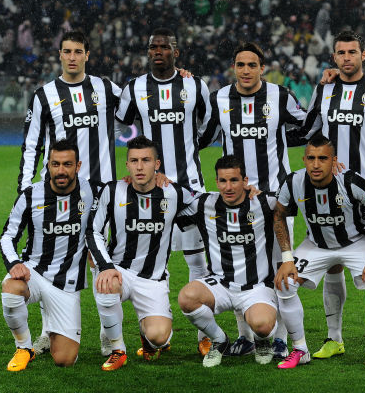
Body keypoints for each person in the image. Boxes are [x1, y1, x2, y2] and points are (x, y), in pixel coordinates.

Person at [297, 30, 365, 362]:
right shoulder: (324, 89)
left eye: (352, 52)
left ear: (363, 55)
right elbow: (307, 130)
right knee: (332, 264)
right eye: (341, 53)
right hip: (326, 190)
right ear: (334, 57)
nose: (347, 58)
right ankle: (334, 338)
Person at [17, 30, 122, 356]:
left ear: (87, 55)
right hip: (58, 194)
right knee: (51, 263)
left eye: (78, 51)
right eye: (67, 51)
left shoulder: (106, 88)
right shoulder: (44, 95)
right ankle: (48, 332)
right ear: (60, 54)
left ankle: (109, 336)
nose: (72, 57)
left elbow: (139, 104)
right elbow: (31, 145)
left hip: (101, 193)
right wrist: (25, 189)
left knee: (101, 261)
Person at [199, 42, 306, 358]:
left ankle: (282, 339)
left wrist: (285, 139)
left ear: (262, 68)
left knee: (281, 268)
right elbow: (202, 137)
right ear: (234, 67)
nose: (245, 71)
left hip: (275, 199)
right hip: (236, 200)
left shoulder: (280, 96)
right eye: (240, 65)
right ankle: (245, 337)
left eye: (252, 65)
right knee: (238, 267)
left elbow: (307, 125)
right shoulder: (220, 99)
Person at [114, 27, 212, 355]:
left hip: (190, 189)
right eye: (153, 47)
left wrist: (191, 146)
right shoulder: (135, 88)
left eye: (165, 47)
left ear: (175, 52)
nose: (158, 51)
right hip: (150, 191)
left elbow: (209, 124)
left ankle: (204, 336)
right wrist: (138, 157)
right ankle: (152, 332)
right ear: (148, 52)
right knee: (151, 263)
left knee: (199, 262)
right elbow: (121, 125)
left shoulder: (194, 85)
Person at [273, 136, 365, 372]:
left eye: (323, 158)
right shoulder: (293, 182)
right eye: (311, 158)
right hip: (317, 245)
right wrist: (287, 259)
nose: (316, 164)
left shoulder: (351, 181)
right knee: (285, 283)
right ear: (304, 160)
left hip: (357, 242)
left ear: (334, 160)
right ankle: (300, 349)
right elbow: (278, 216)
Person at [86, 136, 201, 371]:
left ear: (157, 164)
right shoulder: (112, 190)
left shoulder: (173, 192)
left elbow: (207, 204)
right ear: (127, 164)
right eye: (134, 161)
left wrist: (248, 193)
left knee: (159, 338)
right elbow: (92, 230)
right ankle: (118, 350)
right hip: (119, 270)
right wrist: (105, 266)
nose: (139, 167)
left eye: (146, 160)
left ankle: (147, 337)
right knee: (106, 285)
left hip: (153, 279)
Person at [0, 140, 96, 371]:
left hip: (67, 284)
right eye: (55, 164)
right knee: (11, 288)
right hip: (35, 272)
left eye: (67, 164)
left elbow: (127, 189)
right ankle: (24, 348)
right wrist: (14, 264)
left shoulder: (92, 191)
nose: (61, 170)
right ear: (48, 165)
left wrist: (156, 178)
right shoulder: (31, 195)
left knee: (65, 360)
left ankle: (52, 325)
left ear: (78, 166)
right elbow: (7, 236)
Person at [176, 155, 280, 367]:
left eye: (234, 180)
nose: (228, 187)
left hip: (256, 287)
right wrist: (157, 181)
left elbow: (296, 197)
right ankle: (219, 340)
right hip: (220, 284)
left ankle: (261, 341)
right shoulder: (204, 203)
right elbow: (168, 201)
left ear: (245, 181)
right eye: (223, 181)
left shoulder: (264, 202)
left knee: (262, 326)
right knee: (186, 298)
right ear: (216, 182)